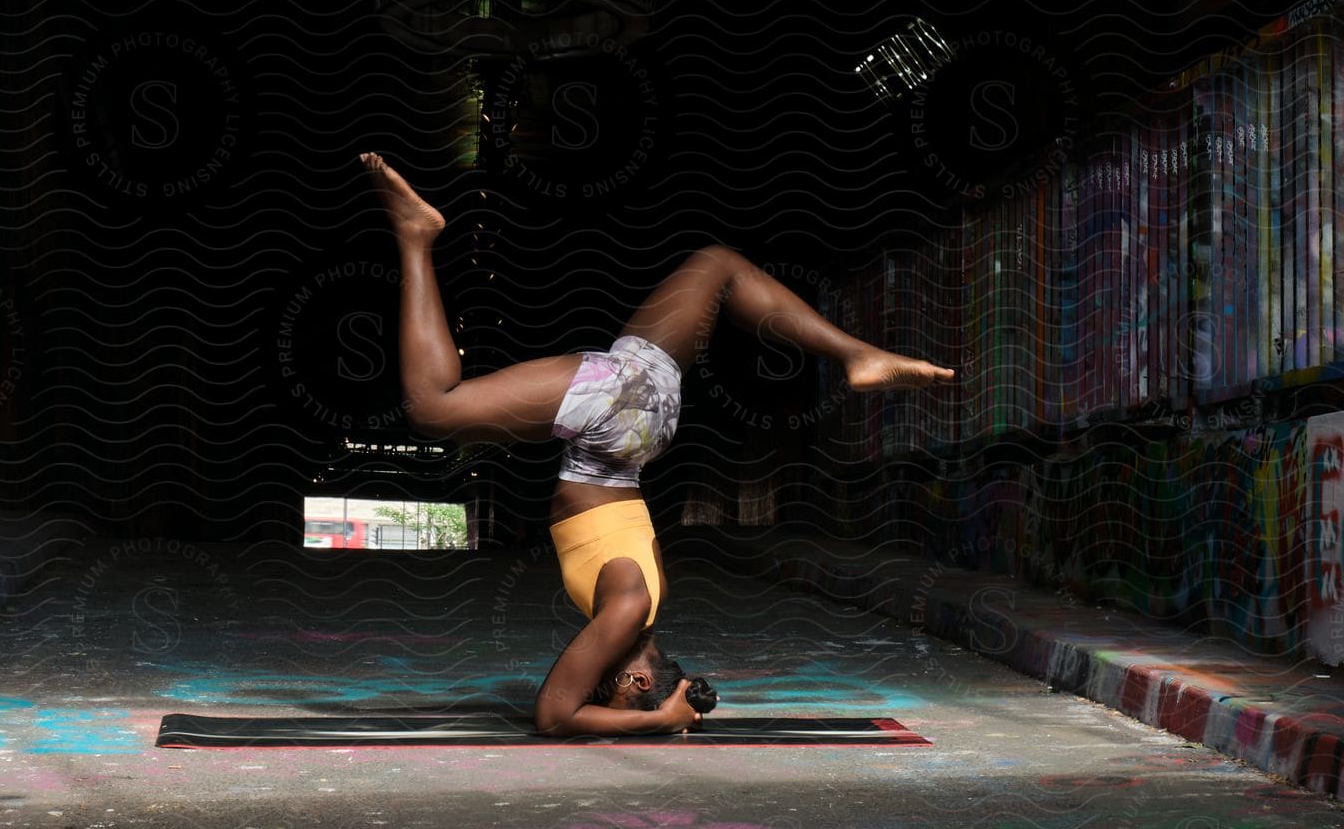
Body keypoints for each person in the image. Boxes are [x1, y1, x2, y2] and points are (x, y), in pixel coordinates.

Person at [360, 153, 956, 736]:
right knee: (435, 407)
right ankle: (417, 236)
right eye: (611, 694)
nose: (596, 688)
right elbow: (554, 715)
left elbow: (601, 687)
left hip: (637, 427)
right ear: (639, 683)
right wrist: (663, 719)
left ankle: (856, 353)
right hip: (615, 421)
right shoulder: (625, 609)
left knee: (719, 265)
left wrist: (673, 702)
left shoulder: (645, 603)